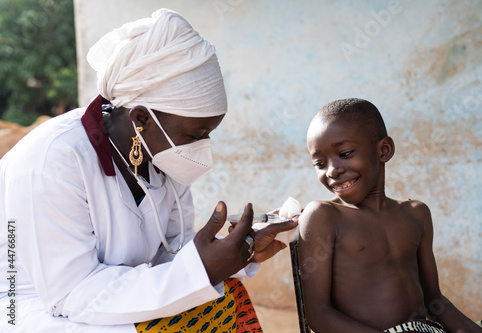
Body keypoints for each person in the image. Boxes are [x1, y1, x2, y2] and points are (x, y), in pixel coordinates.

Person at [0, 9, 297, 332]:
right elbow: (74, 294)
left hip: (98, 297)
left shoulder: (158, 155)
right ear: (141, 119)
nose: (203, 146)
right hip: (30, 308)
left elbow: (169, 249)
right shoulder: (52, 163)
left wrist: (241, 249)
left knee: (227, 296)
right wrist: (200, 270)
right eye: (196, 135)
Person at [299, 98, 482, 333]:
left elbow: (435, 300)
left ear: (384, 150)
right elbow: (319, 316)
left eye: (345, 153)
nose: (332, 170)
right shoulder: (324, 216)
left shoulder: (416, 213)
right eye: (320, 163)